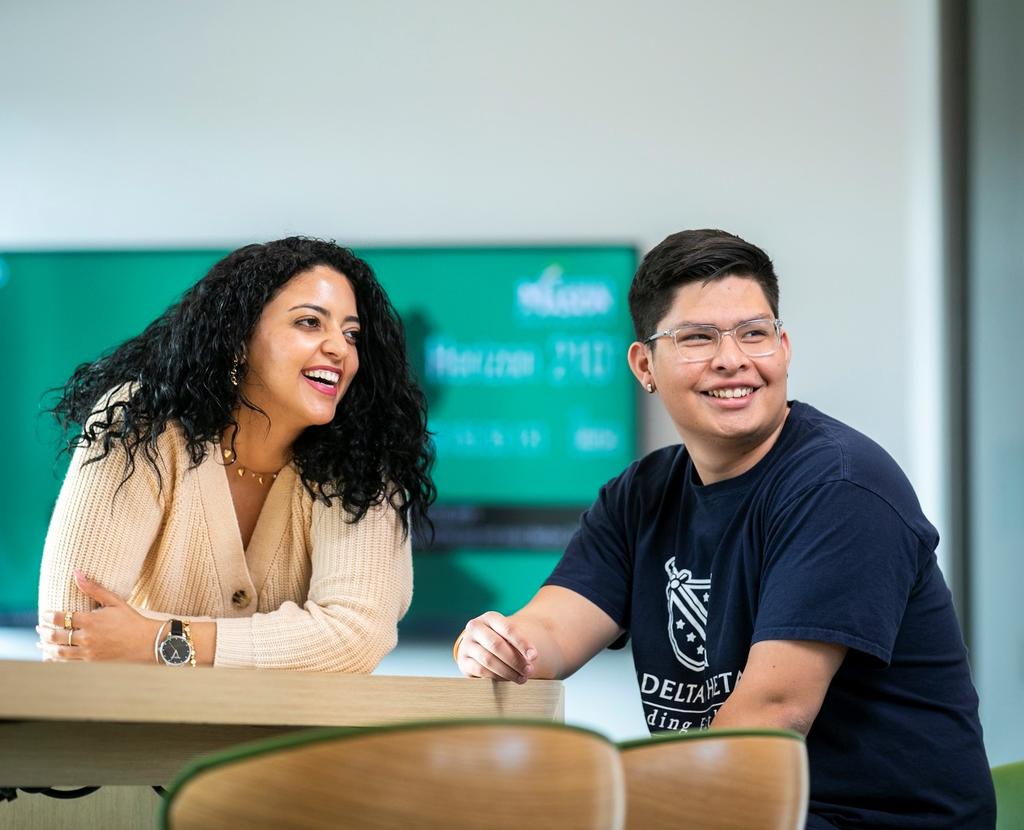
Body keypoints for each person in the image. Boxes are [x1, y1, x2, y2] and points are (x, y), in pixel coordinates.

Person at [455, 229, 995, 828]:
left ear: (784, 348)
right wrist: (499, 647)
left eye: (754, 333)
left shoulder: (840, 487)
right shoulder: (640, 495)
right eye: (697, 338)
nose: (732, 359)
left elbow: (772, 715)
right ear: (644, 365)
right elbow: (549, 633)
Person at [36, 237, 434, 671]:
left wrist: (160, 640)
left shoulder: (366, 457)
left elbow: (356, 634)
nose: (340, 348)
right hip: (139, 732)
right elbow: (73, 632)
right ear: (239, 339)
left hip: (299, 740)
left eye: (351, 333)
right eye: (309, 323)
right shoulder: (142, 427)